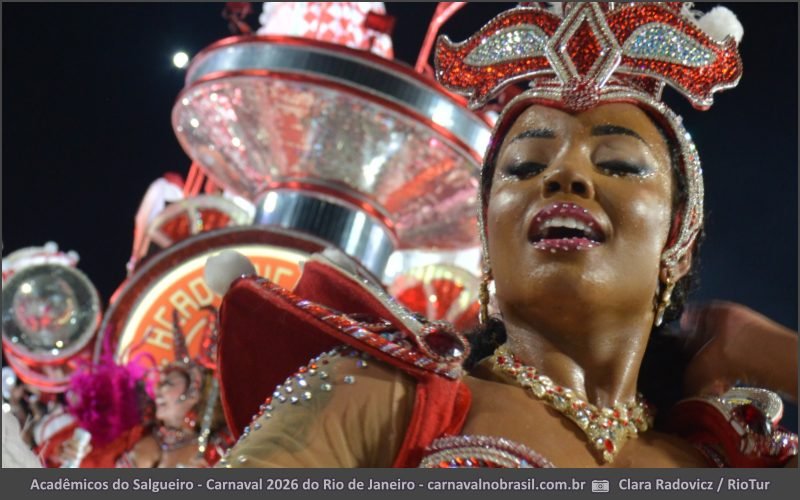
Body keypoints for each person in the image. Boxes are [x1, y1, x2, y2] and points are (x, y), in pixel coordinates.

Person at [211, 3, 797, 468]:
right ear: (488, 237)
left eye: (617, 164)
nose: (566, 175)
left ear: (679, 236)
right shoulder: (376, 397)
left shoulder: (724, 461)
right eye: (524, 168)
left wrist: (768, 353)